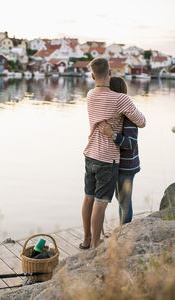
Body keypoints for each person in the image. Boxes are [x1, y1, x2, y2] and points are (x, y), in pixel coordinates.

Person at [81, 58, 146, 249]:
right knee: (101, 202)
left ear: (93, 75)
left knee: (88, 197)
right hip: (107, 157)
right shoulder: (120, 99)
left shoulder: (90, 95)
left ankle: (86, 239)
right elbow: (141, 121)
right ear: (109, 73)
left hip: (90, 153)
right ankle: (95, 244)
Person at [98, 76, 141, 225]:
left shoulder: (128, 116)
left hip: (127, 166)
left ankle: (125, 233)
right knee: (120, 198)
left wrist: (113, 135)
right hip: (118, 164)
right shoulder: (116, 115)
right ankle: (122, 229)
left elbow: (131, 143)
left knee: (124, 201)